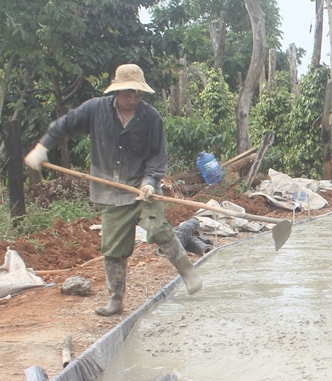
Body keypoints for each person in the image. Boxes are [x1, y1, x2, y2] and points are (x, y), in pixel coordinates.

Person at [24, 63, 203, 317]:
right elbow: (64, 125)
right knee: (113, 248)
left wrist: (150, 182)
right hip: (110, 191)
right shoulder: (96, 110)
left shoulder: (151, 118)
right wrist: (43, 147)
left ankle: (188, 273)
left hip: (143, 188)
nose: (133, 98)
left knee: (158, 227)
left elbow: (157, 156)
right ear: (116, 91)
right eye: (129, 93)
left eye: (138, 93)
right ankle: (116, 300)